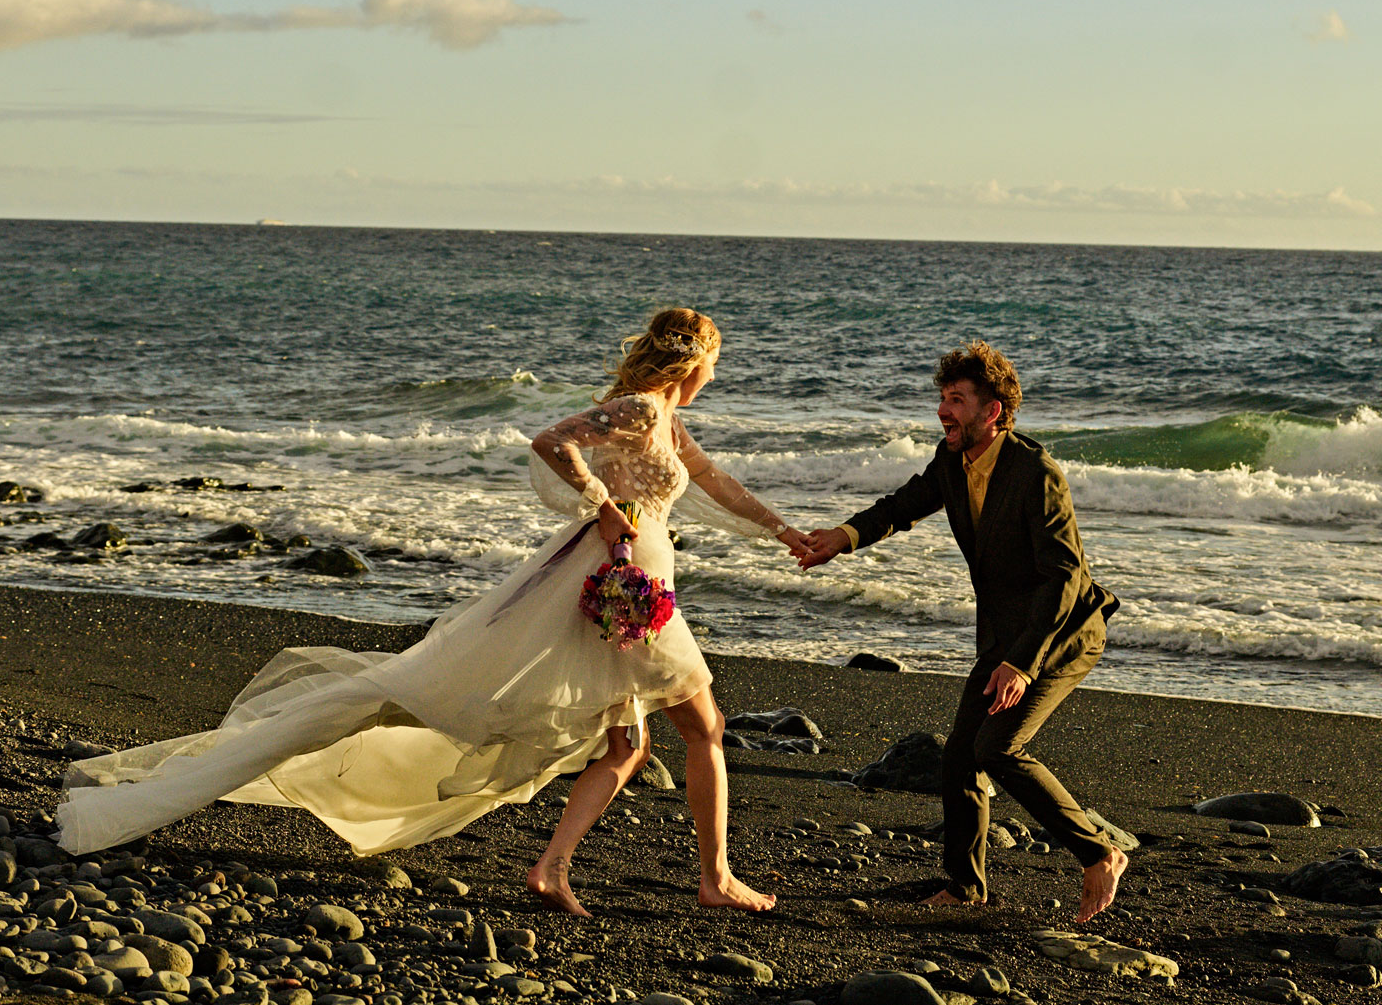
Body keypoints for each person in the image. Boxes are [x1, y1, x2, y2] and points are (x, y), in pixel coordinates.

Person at [57, 308, 807, 916]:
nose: (715, 375)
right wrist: (606, 507)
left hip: (626, 583)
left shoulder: (667, 420)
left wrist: (785, 532)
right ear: (696, 360)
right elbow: (551, 441)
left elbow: (718, 483)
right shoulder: (644, 407)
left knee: (627, 747)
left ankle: (558, 867)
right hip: (619, 581)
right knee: (693, 727)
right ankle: (710, 877)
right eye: (716, 362)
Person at [798, 342, 1126, 922]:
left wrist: (1023, 663)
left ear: (992, 410)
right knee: (959, 760)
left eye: (957, 400)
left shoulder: (1035, 473)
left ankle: (1099, 853)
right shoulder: (952, 460)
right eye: (942, 399)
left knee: (998, 748)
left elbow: (1064, 577)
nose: (943, 411)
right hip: (1007, 634)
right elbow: (903, 505)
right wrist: (843, 537)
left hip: (1063, 633)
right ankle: (965, 884)